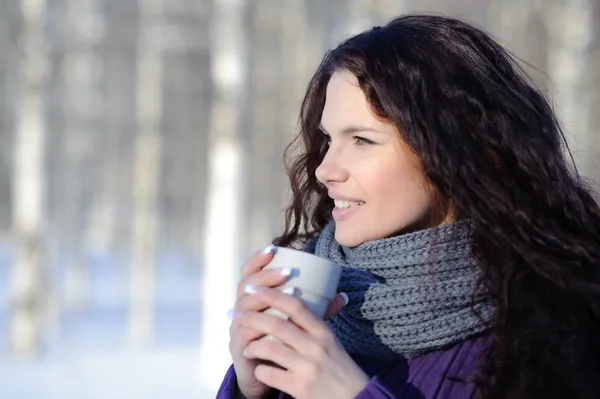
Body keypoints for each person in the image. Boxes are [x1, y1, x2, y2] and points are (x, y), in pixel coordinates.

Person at [215, 14, 600, 399]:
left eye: (362, 140)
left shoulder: (555, 332)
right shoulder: (317, 305)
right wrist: (254, 390)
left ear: (453, 151)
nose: (324, 170)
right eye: (329, 139)